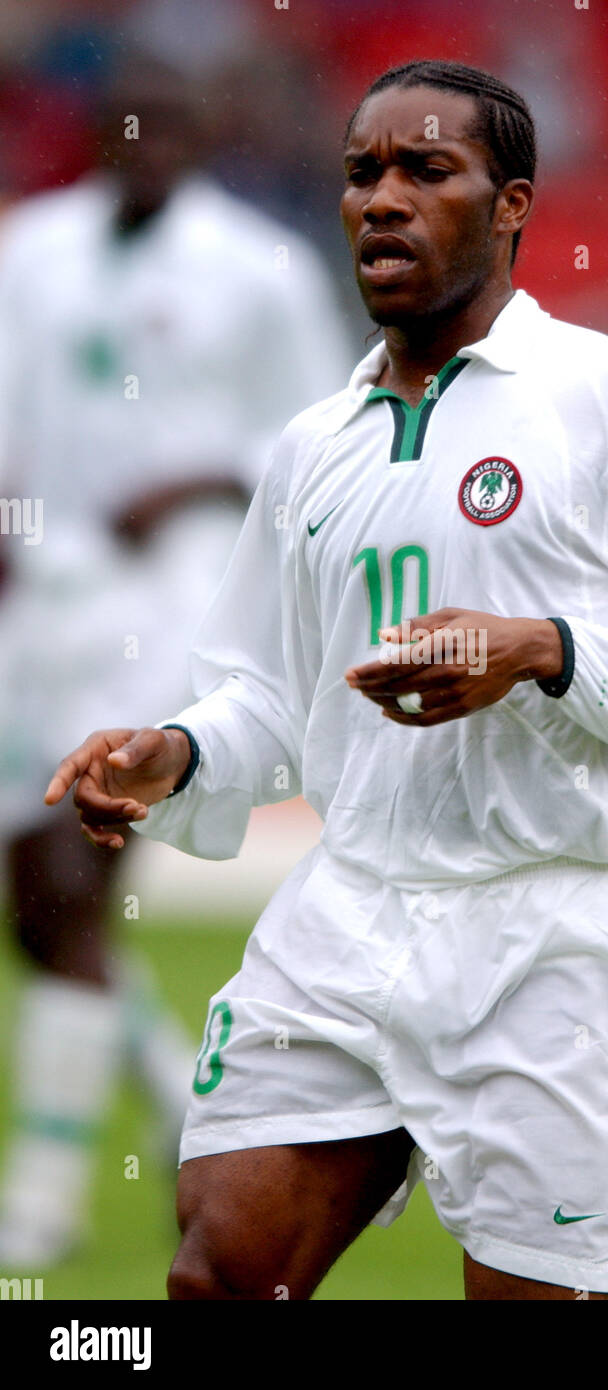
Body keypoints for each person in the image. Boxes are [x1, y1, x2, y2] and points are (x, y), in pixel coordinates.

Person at [45, 59, 608, 1301]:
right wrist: (175, 752)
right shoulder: (309, 447)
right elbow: (273, 700)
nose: (381, 199)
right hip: (346, 916)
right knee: (220, 1271)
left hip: (553, 931)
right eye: (360, 173)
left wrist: (541, 651)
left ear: (511, 207)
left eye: (425, 170)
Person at [0, 57, 351, 1266]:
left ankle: (37, 1198)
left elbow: (319, 432)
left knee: (67, 863)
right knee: (40, 907)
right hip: (47, 596)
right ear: (95, 140)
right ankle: (179, 1099)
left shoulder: (260, 267)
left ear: (203, 138)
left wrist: (200, 474)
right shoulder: (32, 248)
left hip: (180, 592)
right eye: (122, 130)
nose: (144, 149)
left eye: (169, 130)